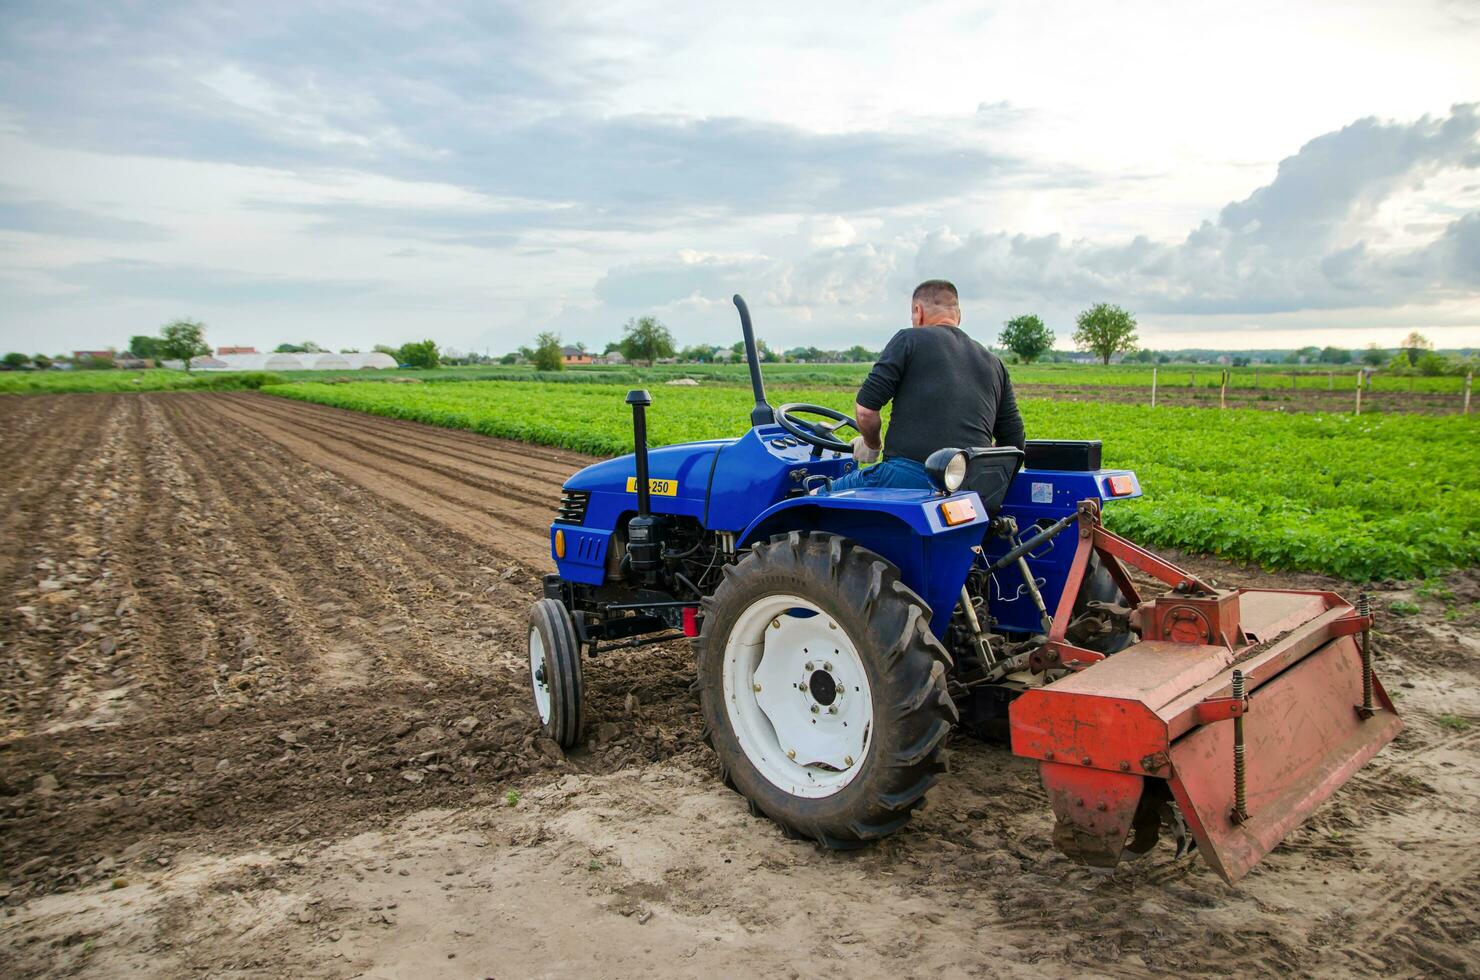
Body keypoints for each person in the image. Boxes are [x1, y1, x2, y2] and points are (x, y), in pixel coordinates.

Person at [827, 279, 1025, 492]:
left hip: (907, 476)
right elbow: (1014, 442)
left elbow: (866, 411)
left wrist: (872, 445)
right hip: (970, 487)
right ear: (958, 315)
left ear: (918, 311)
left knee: (808, 498)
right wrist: (971, 469)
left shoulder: (909, 340)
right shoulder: (993, 363)